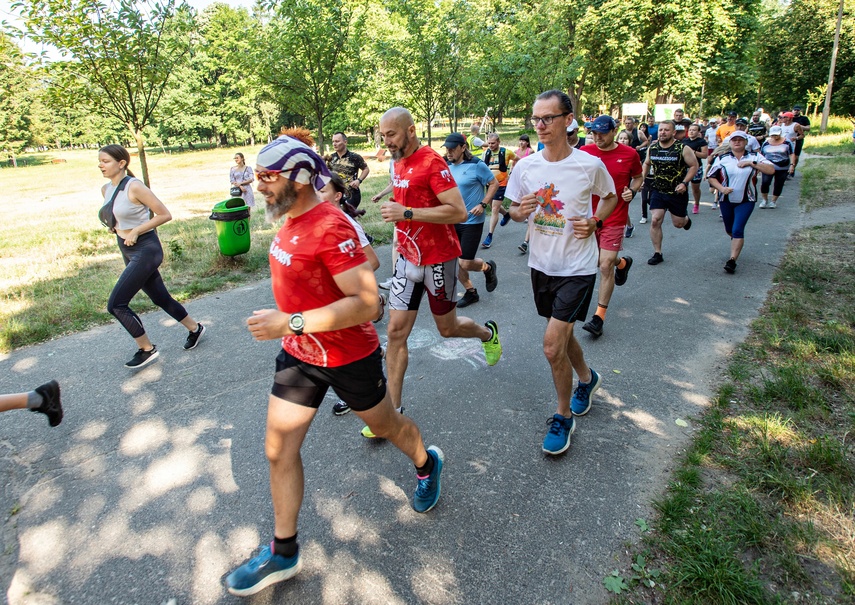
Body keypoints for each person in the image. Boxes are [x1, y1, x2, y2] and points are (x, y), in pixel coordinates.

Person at [225, 134, 444, 597]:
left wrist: (291, 320)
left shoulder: (331, 226)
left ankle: (426, 462)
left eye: (268, 177)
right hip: (301, 355)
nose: (258, 185)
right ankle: (284, 551)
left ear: (300, 178)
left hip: (348, 357)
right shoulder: (290, 218)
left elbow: (368, 305)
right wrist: (293, 324)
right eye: (257, 176)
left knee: (387, 427)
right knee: (278, 448)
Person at [363, 107, 503, 438]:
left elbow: (456, 211)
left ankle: (487, 335)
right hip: (408, 261)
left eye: (392, 134)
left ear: (411, 131)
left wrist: (407, 212)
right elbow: (404, 200)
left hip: (439, 259)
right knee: (396, 332)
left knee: (447, 328)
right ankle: (392, 414)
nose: (387, 141)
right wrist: (398, 216)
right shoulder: (397, 161)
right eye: (382, 136)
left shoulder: (432, 162)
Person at [506, 90, 618, 455]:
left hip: (578, 267)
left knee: (552, 345)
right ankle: (588, 378)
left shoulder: (588, 165)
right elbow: (515, 211)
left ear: (568, 120)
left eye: (548, 118)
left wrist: (595, 221)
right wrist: (519, 213)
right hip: (542, 265)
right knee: (563, 332)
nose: (539, 125)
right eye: (535, 119)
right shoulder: (525, 167)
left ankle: (562, 415)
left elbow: (612, 196)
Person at [98, 145, 206, 368]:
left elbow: (164, 214)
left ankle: (146, 349)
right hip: (126, 247)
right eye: (99, 161)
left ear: (122, 163)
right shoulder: (106, 189)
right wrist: (115, 227)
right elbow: (118, 217)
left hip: (146, 248)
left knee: (116, 304)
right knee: (160, 298)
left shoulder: (135, 186)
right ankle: (195, 328)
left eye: (105, 161)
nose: (100, 165)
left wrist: (137, 230)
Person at [579, 116, 643, 339]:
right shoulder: (584, 152)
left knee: (605, 265)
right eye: (594, 133)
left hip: (615, 216)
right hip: (589, 216)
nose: (598, 138)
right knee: (600, 260)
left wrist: (632, 191)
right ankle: (623, 263)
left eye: (602, 133)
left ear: (614, 131)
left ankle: (598, 317)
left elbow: (638, 177)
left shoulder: (629, 154)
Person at [442, 133, 499, 307]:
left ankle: (487, 268)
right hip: (452, 220)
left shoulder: (476, 165)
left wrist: (483, 204)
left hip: (472, 220)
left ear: (463, 147)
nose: (449, 151)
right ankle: (471, 292)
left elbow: (494, 183)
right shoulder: (445, 165)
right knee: (453, 261)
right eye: (447, 148)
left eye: (453, 148)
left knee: (465, 262)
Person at [707, 130, 775, 274]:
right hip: (726, 199)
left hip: (747, 199)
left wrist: (752, 163)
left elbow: (771, 170)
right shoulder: (722, 158)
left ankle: (732, 260)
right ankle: (736, 241)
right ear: (730, 142)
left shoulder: (755, 156)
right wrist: (721, 188)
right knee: (730, 229)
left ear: (745, 142)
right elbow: (711, 176)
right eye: (734, 140)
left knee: (738, 229)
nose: (737, 142)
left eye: (740, 139)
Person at [642, 120, 699, 265]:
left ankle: (685, 220)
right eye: (661, 130)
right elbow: (647, 163)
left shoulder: (683, 148)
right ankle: (657, 253)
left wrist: (684, 183)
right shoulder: (653, 148)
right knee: (655, 220)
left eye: (666, 130)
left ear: (673, 133)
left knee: (678, 224)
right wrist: (641, 180)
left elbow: (694, 166)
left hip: (676, 192)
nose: (662, 132)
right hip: (658, 190)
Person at [481, 133, 517, 248]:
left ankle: (489, 236)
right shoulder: (486, 153)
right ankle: (506, 215)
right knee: (492, 206)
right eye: (489, 143)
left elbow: (518, 160)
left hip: (501, 184)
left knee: (494, 209)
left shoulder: (506, 152)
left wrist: (512, 171)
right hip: (490, 184)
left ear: (498, 142)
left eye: (493, 143)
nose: (490, 145)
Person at [327, 132, 370, 208]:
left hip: (351, 193)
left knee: (347, 216)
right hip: (336, 193)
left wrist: (359, 180)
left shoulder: (354, 157)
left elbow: (366, 169)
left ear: (345, 142)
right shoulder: (331, 158)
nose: (334, 144)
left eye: (337, 141)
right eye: (333, 141)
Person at [758, 126, 795, 209]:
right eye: (773, 135)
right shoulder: (766, 142)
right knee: (765, 183)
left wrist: (792, 165)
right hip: (768, 166)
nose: (774, 137)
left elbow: (792, 154)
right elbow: (761, 155)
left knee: (778, 184)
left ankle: (773, 201)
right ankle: (764, 200)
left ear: (780, 133)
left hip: (782, 166)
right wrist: (759, 166)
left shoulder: (787, 142)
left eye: (776, 135)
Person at [683, 124, 709, 214]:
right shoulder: (684, 141)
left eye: (694, 130)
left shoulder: (701, 142)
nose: (691, 132)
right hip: (684, 167)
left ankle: (696, 204)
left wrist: (692, 152)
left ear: (698, 132)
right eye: (690, 130)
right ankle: (683, 205)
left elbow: (705, 155)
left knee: (695, 188)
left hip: (696, 167)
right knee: (683, 187)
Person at [617, 130, 636, 238]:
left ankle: (628, 226)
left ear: (629, 141)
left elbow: (637, 173)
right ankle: (628, 225)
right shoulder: (612, 151)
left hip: (626, 185)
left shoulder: (631, 153)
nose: (623, 140)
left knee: (621, 207)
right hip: (613, 183)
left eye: (625, 139)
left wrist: (635, 186)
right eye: (621, 138)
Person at [791, 105, 811, 175]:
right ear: (792, 110)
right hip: (790, 138)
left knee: (796, 156)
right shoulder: (790, 118)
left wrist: (799, 126)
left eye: (797, 110)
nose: (796, 111)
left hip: (799, 138)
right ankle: (787, 169)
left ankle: (793, 168)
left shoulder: (804, 118)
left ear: (800, 111)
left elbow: (808, 128)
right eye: (795, 110)